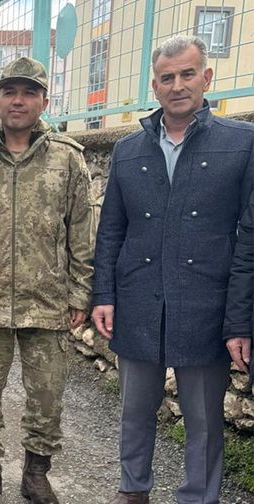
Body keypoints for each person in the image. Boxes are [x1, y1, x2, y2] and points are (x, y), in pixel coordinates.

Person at [94, 35, 254, 504]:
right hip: (138, 300)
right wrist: (104, 294)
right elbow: (110, 232)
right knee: (135, 409)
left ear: (207, 78)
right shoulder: (127, 150)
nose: (178, 85)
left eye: (188, 74)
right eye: (168, 77)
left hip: (207, 303)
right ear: (155, 86)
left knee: (203, 417)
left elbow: (249, 240)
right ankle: (133, 489)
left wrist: (240, 319)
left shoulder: (243, 144)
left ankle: (198, 498)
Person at [0, 57, 94, 504]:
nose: (18, 101)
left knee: (47, 398)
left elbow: (82, 232)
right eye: (10, 92)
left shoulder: (67, 160)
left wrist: (81, 291)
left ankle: (36, 473)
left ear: (44, 100)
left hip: (47, 303)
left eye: (29, 93)